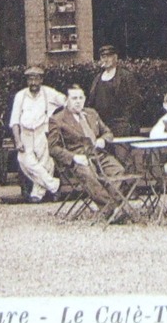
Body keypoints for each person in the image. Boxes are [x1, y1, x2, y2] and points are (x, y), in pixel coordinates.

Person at [48, 84, 132, 221]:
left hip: (99, 155)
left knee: (118, 170)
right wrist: (74, 157)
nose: (78, 101)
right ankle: (112, 209)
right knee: (89, 174)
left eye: (81, 98)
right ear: (66, 100)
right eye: (74, 98)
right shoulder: (57, 119)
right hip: (78, 160)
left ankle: (115, 207)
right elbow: (52, 148)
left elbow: (108, 132)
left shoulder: (92, 113)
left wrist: (103, 140)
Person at [8, 66, 65, 203]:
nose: (33, 82)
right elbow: (14, 120)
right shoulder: (20, 96)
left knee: (46, 163)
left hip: (42, 131)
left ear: (41, 80)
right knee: (25, 161)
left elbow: (67, 103)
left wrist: (57, 121)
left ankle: (37, 194)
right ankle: (54, 186)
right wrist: (17, 140)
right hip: (25, 133)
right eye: (30, 79)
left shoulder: (49, 93)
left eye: (36, 79)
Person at [88, 45, 139, 137]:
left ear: (115, 58)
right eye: (103, 57)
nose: (106, 60)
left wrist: (124, 121)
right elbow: (92, 102)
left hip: (121, 126)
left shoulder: (125, 77)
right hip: (102, 126)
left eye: (109, 56)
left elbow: (134, 100)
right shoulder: (97, 79)